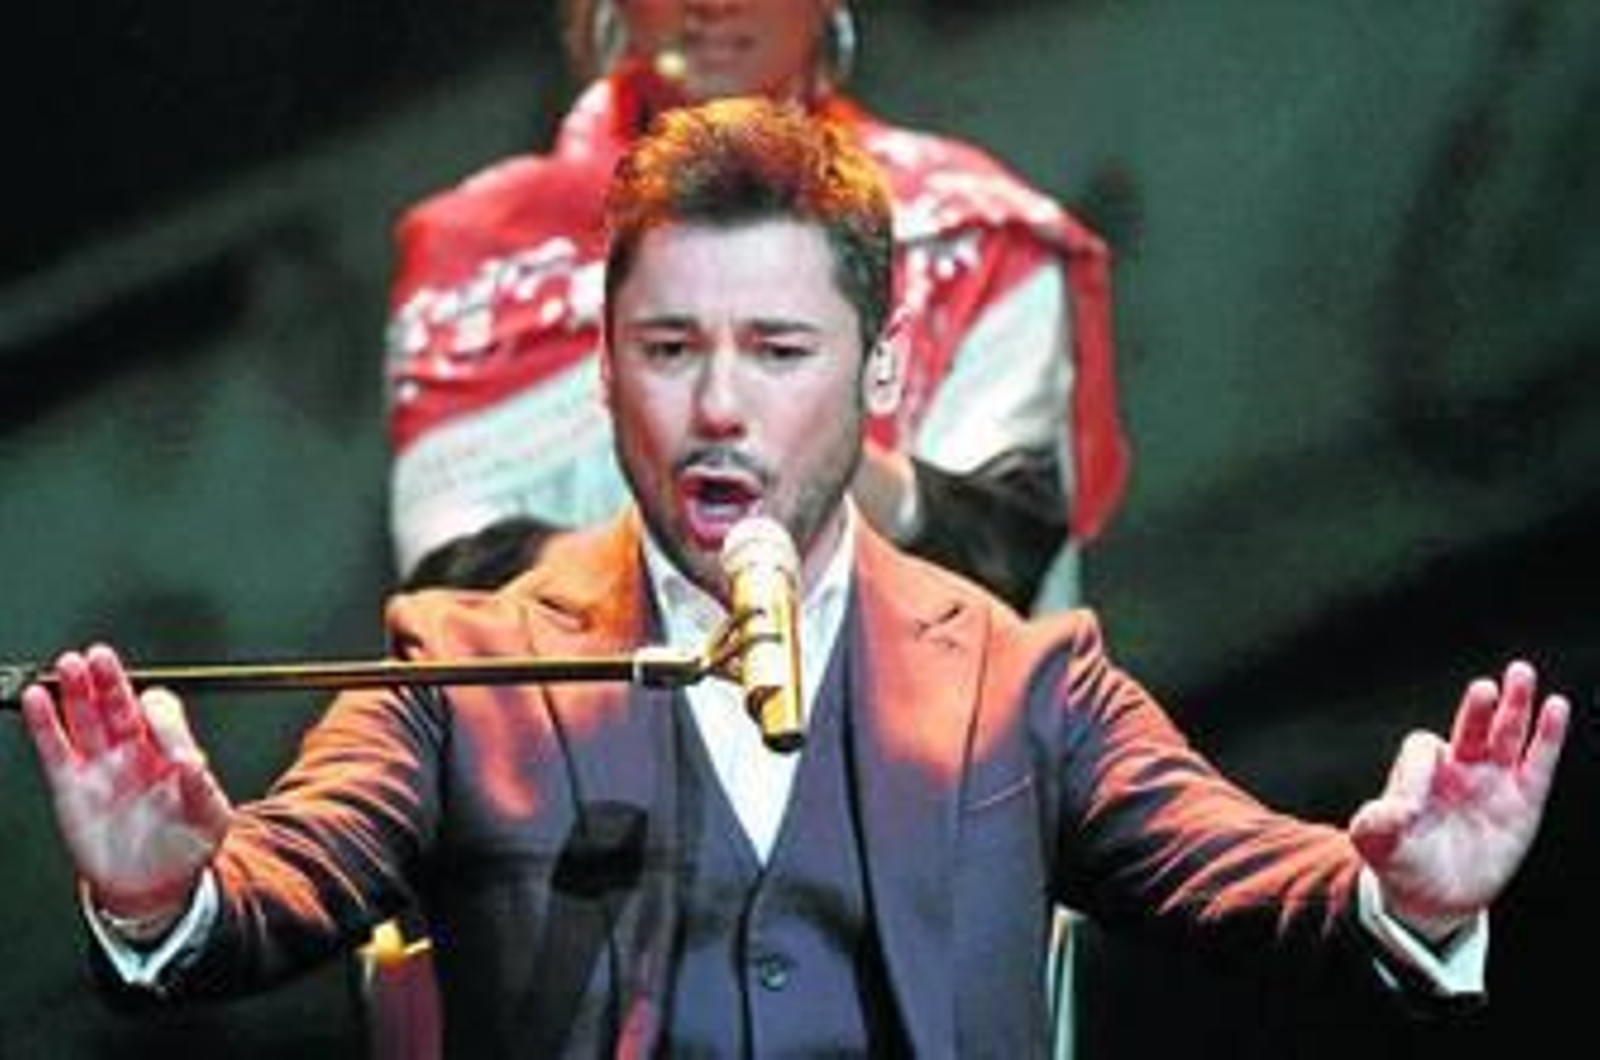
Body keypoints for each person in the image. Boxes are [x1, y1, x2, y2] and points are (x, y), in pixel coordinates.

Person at [18, 99, 1569, 1056]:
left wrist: (1405, 900)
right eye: (668, 349)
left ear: (878, 370)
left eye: (776, 352)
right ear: (605, 373)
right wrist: (162, 893)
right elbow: (275, 887)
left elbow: (1261, 885)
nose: (717, 407)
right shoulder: (465, 660)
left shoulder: (1023, 680)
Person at [386, 0, 1128, 612]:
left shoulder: (977, 236)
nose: (711, 7)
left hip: (938, 767)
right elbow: (451, 583)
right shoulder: (475, 259)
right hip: (591, 772)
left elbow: (999, 554)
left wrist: (805, 459)